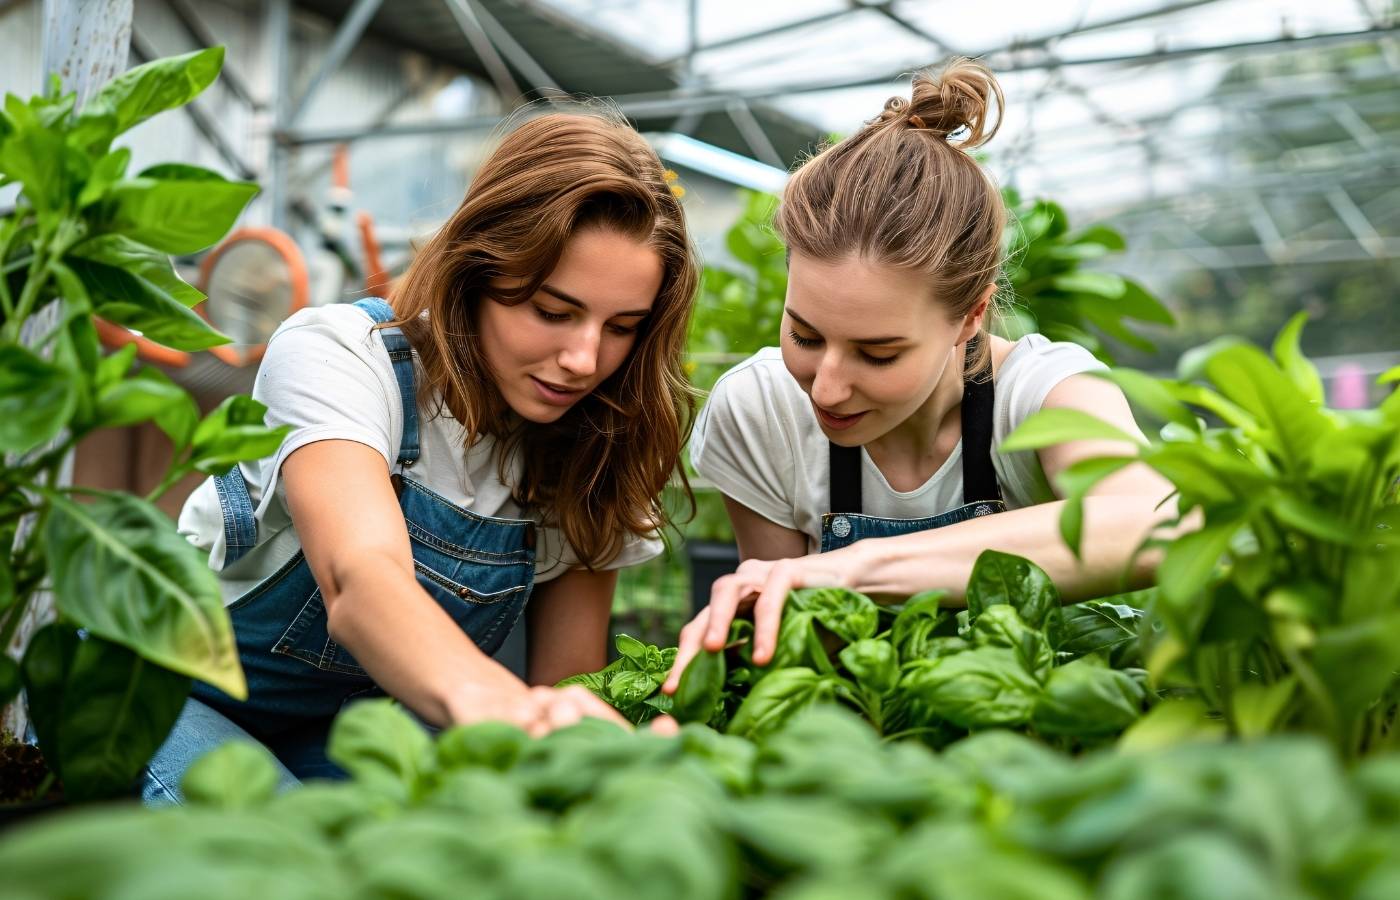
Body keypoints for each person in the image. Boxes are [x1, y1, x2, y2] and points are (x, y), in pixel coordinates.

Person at [144, 110, 696, 803]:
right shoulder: (340, 357)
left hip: (345, 734)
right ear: (476, 271)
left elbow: (566, 686)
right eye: (553, 312)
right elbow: (360, 578)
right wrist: (510, 711)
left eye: (622, 327)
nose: (584, 360)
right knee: (280, 838)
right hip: (160, 693)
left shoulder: (591, 445)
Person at [663, 59, 1176, 692]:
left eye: (878, 354)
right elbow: (798, 658)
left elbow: (1159, 523)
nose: (826, 388)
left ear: (971, 316)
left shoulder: (1044, 394)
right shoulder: (760, 409)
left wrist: (856, 570)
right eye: (805, 336)